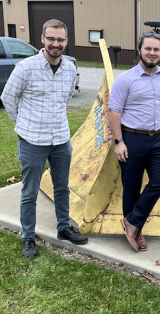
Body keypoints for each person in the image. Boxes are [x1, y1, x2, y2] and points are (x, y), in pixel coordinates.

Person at [1, 19, 88, 257]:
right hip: (32, 141)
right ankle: (28, 237)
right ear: (42, 39)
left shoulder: (70, 68)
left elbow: (67, 97)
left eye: (60, 39)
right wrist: (22, 125)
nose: (55, 43)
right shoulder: (25, 67)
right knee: (29, 192)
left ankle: (63, 228)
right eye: (51, 38)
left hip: (60, 139)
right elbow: (8, 97)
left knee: (62, 188)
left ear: (66, 42)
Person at [108, 31, 160, 252]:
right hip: (131, 138)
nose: (152, 53)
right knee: (131, 187)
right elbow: (114, 111)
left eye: (156, 49)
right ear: (139, 50)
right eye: (148, 49)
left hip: (157, 138)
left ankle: (132, 222)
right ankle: (136, 230)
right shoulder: (126, 79)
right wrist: (119, 142)